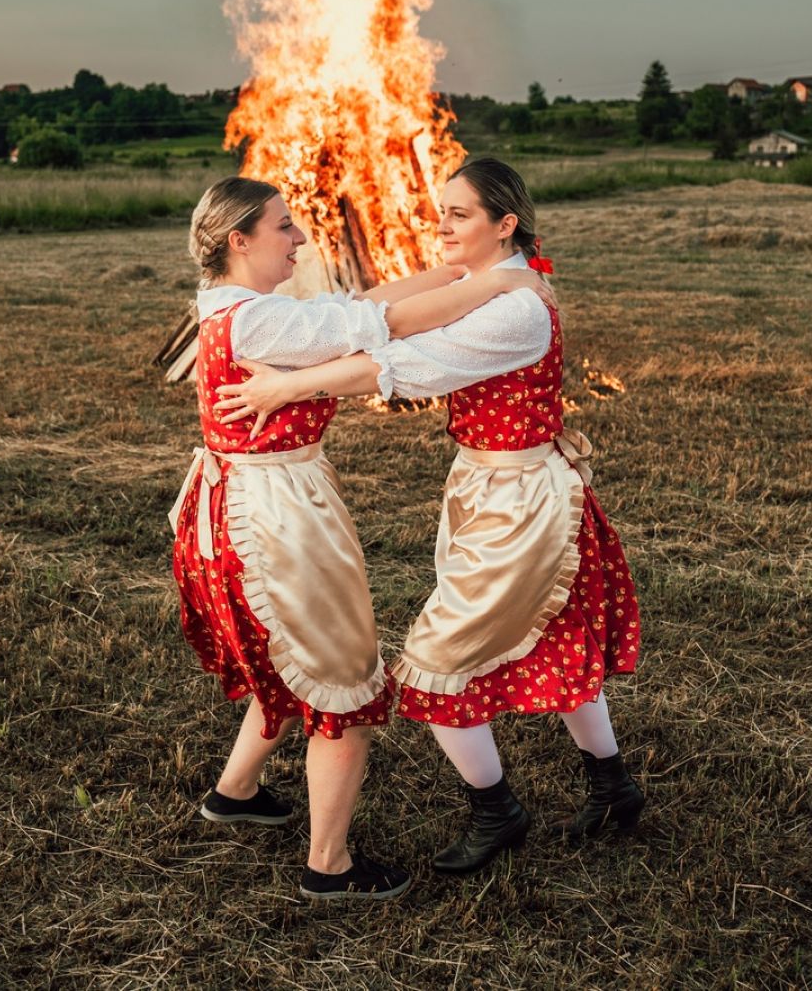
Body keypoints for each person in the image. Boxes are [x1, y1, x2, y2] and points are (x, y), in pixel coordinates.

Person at [213, 158, 643, 877]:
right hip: (489, 486)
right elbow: (380, 315)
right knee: (555, 630)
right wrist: (439, 280)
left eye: (459, 214)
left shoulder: (517, 309)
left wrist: (288, 387)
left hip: (521, 499)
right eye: (441, 211)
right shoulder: (494, 283)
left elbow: (405, 365)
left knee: (435, 664)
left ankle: (496, 810)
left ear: (505, 224)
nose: (440, 224)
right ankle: (613, 785)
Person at [169, 174, 549, 902]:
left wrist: (459, 274)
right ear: (239, 240)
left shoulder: (237, 307)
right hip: (277, 512)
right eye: (284, 226)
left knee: (289, 659)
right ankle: (330, 867)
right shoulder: (258, 322)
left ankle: (235, 792)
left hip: (249, 498)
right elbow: (385, 324)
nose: (300, 238)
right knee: (342, 679)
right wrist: (499, 284)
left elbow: (358, 305)